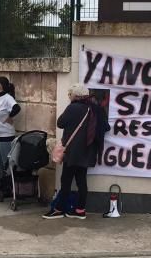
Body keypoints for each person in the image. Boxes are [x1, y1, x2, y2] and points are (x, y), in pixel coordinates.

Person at [43, 83, 110, 220]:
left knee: (66, 181)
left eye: (71, 94)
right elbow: (106, 127)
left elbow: (60, 123)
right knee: (81, 181)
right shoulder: (96, 109)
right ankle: (80, 210)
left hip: (73, 152)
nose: (69, 96)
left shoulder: (73, 108)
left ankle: (59, 209)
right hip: (88, 151)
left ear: (76, 96)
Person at [0, 76, 21, 181]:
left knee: (6, 161)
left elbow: (17, 108)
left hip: (5, 134)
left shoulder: (7, 98)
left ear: (0, 85)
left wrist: (9, 117)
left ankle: (8, 184)